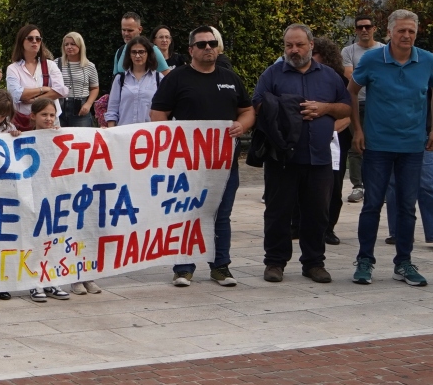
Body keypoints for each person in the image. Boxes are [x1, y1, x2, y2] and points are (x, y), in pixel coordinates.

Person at [151, 25, 254, 289]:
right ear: (190, 50)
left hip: (224, 164)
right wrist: (171, 140)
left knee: (221, 215)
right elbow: (158, 114)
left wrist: (242, 125)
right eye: (202, 44)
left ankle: (220, 267)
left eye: (212, 43)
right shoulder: (177, 78)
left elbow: (248, 110)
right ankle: (183, 268)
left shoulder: (231, 78)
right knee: (186, 214)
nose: (208, 48)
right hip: (188, 165)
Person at [350, 9, 433, 289]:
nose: (406, 36)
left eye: (411, 31)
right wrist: (357, 129)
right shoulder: (371, 59)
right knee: (372, 204)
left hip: (413, 147)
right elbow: (351, 91)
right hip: (377, 145)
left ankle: (403, 261)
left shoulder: (427, 60)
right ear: (390, 32)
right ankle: (364, 260)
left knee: (406, 206)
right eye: (401, 30)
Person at [253, 25, 353, 284]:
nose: (294, 50)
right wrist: (285, 107)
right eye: (289, 46)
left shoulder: (330, 76)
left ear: (311, 45)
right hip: (282, 159)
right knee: (278, 213)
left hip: (319, 157)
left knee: (317, 213)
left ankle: (314, 263)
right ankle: (275, 262)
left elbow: (346, 108)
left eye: (299, 45)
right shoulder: (272, 74)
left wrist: (324, 108)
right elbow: (258, 105)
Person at [310, 36, 353, 244]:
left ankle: (328, 228)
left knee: (333, 187)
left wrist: (326, 131)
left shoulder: (339, 80)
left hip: (335, 141)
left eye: (314, 54)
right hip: (306, 141)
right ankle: (300, 224)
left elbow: (347, 114)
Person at [340, 11, 383, 204]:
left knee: (379, 145)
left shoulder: (384, 49)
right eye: (360, 27)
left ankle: (378, 186)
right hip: (355, 103)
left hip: (379, 105)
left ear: (374, 28)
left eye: (368, 26)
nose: (364, 30)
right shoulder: (348, 51)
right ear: (356, 30)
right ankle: (358, 186)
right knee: (356, 144)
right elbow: (350, 75)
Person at [5, 24, 67, 129]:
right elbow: (17, 94)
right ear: (21, 42)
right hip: (24, 122)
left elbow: (61, 91)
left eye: (38, 39)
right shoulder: (13, 68)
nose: (35, 41)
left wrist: (34, 99)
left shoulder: (50, 65)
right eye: (30, 38)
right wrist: (44, 89)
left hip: (50, 122)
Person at [103, 36, 162, 127]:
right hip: (124, 133)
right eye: (134, 52)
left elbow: (164, 109)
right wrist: (111, 132)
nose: (137, 56)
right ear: (129, 55)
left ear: (148, 53)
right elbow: (112, 110)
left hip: (149, 134)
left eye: (141, 52)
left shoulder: (158, 78)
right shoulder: (120, 79)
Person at [56, 33, 100, 127]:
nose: (69, 47)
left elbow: (94, 88)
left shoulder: (89, 66)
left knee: (82, 139)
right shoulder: (56, 63)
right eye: (66, 44)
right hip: (59, 106)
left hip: (80, 108)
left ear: (80, 45)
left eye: (73, 44)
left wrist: (88, 104)